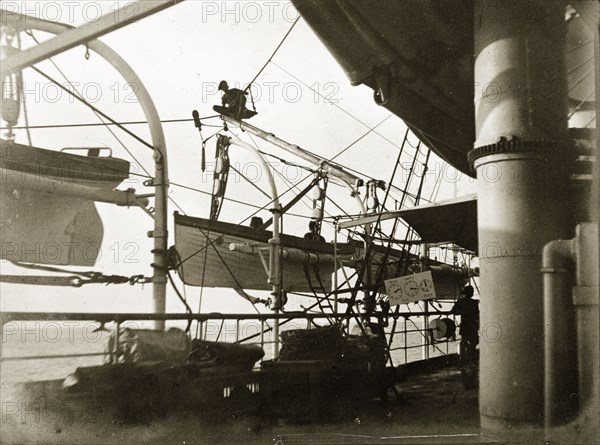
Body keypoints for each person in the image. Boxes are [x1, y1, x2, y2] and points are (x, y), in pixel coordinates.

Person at [451, 284, 479, 362]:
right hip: (472, 324)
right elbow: (477, 314)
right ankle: (470, 357)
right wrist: (478, 324)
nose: (473, 292)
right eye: (472, 291)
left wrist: (462, 311)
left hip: (465, 324)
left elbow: (453, 311)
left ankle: (462, 358)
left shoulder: (461, 301)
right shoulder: (474, 302)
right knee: (474, 341)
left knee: (464, 341)